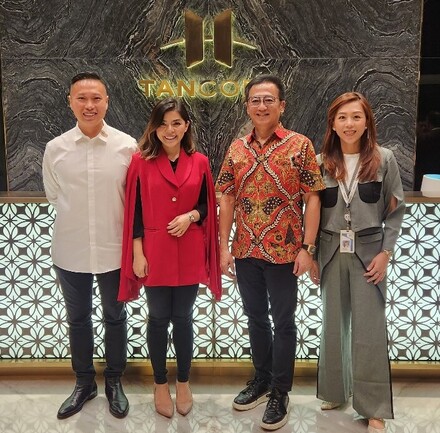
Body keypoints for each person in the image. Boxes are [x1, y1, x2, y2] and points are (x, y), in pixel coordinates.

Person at [216, 75, 325, 431]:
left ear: (281, 105)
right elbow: (227, 197)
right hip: (246, 249)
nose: (261, 106)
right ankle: (261, 380)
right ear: (247, 106)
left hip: (285, 252)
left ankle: (280, 391)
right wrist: (223, 247)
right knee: (255, 318)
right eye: (255, 100)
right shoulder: (237, 148)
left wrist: (308, 248)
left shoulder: (300, 145)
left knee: (284, 322)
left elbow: (313, 198)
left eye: (268, 100)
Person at [118, 97, 222, 418]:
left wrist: (191, 216)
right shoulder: (140, 162)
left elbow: (207, 205)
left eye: (176, 123)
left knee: (184, 318)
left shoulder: (200, 162)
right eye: (163, 124)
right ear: (154, 128)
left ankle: (184, 382)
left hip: (189, 250)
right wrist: (137, 253)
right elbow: (134, 211)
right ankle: (160, 383)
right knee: (158, 317)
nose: (169, 130)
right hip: (155, 252)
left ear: (186, 126)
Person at [42, 72, 137, 419]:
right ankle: (84, 382)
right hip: (71, 250)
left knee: (115, 317)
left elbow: (134, 199)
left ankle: (114, 381)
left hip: (115, 250)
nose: (89, 105)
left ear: (107, 102)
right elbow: (54, 196)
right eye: (81, 98)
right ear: (70, 102)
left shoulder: (127, 146)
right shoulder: (55, 149)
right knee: (78, 319)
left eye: (96, 98)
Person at [310, 92, 405, 433]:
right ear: (333, 124)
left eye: (356, 117)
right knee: (333, 325)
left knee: (369, 330)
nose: (349, 124)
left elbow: (395, 209)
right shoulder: (320, 162)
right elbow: (311, 211)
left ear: (367, 123)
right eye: (342, 118)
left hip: (369, 253)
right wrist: (311, 254)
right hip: (331, 250)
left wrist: (386, 253)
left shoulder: (384, 159)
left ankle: (373, 406)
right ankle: (335, 391)